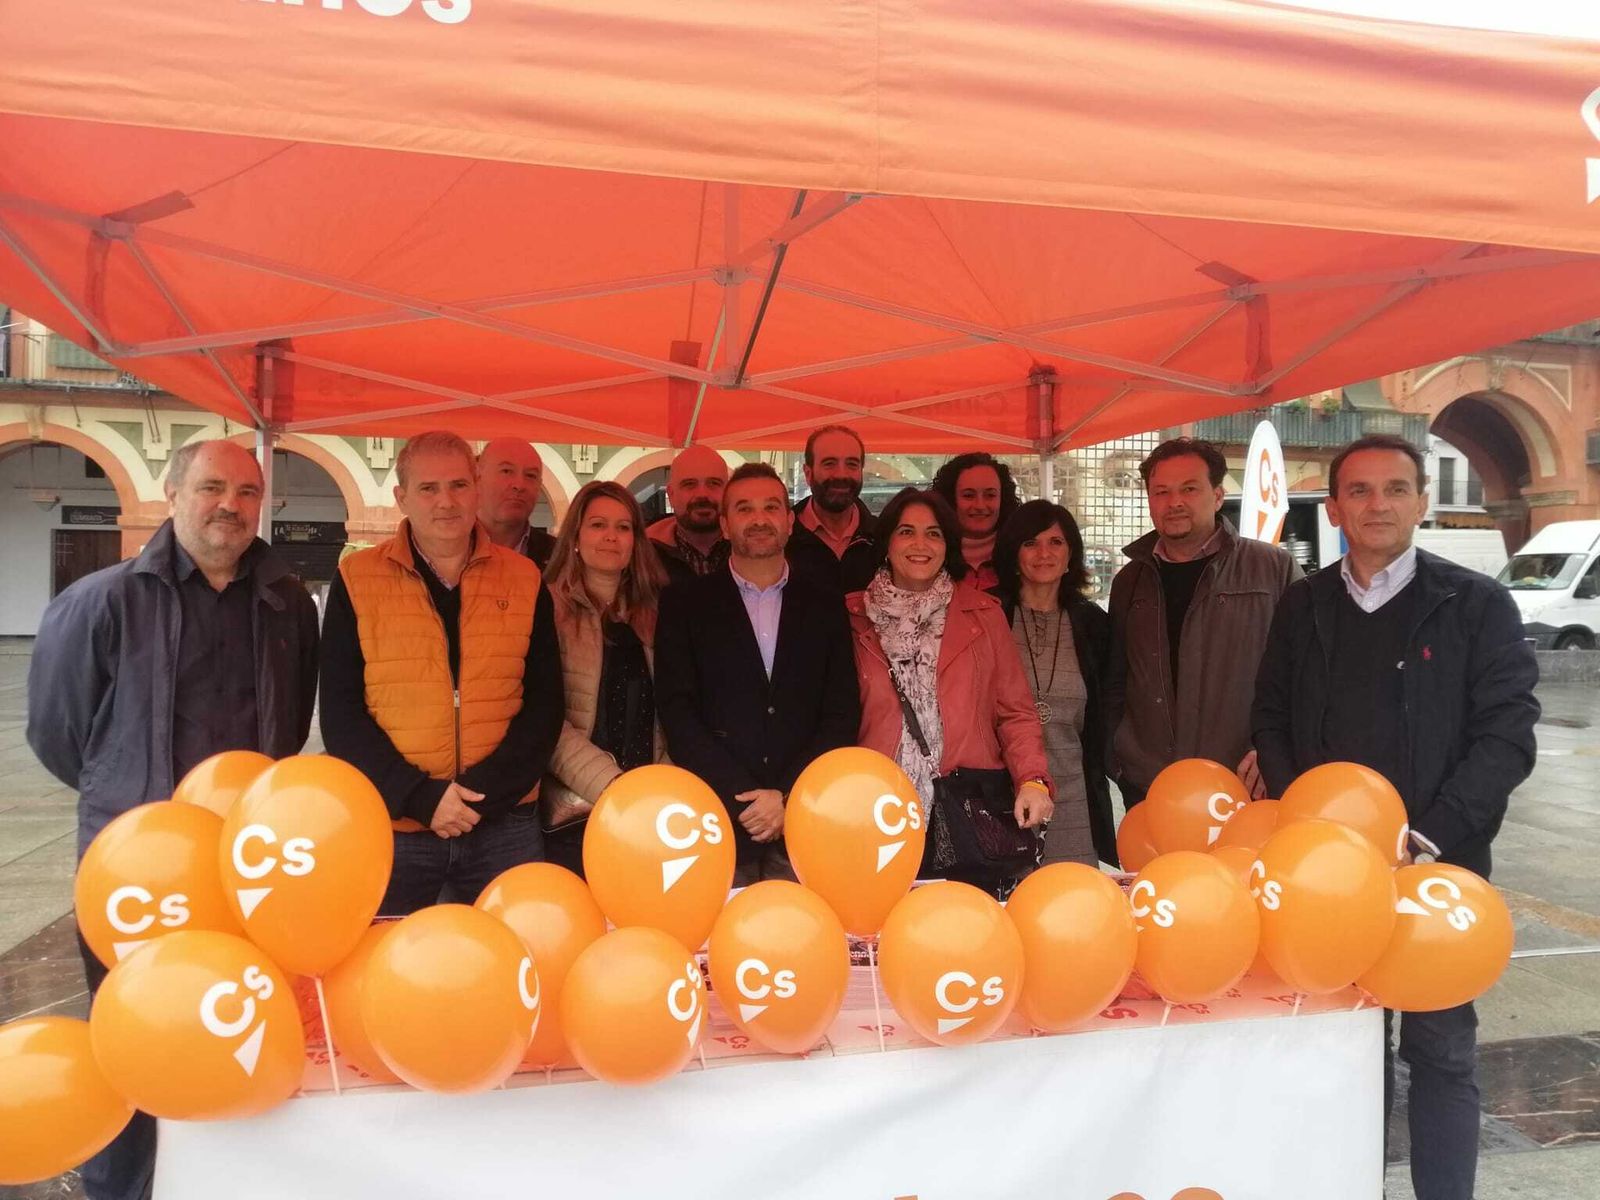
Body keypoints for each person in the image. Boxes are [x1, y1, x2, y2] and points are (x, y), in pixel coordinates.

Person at [27, 438, 319, 1200]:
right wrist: (128, 799)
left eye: (248, 491)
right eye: (213, 487)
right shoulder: (100, 602)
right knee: (133, 1032)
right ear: (172, 493)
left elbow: (288, 727)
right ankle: (127, 1186)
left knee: (236, 1020)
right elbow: (60, 738)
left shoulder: (287, 604)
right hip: (140, 868)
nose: (231, 504)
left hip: (245, 865)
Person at [1252, 433, 1538, 1200]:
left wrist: (1429, 834)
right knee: (1346, 1052)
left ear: (1422, 501)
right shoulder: (1302, 604)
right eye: (1360, 490)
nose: (1377, 504)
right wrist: (1305, 826)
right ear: (1336, 505)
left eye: (1395, 489)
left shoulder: (1475, 603)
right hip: (1326, 878)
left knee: (1441, 1051)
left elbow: (1507, 734)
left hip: (1433, 870)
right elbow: (1271, 718)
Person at [320, 430, 564, 915]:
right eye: (428, 489)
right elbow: (340, 713)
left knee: (515, 963)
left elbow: (544, 703)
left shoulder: (523, 577)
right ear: (401, 497)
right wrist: (419, 797)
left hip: (503, 825)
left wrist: (482, 796)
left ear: (476, 487)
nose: (446, 502)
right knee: (390, 968)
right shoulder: (357, 579)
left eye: (457, 485)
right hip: (397, 826)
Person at [655, 463, 861, 885]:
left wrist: (787, 796)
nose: (760, 519)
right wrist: (747, 800)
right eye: (744, 509)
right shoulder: (685, 604)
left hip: (806, 822)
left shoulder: (824, 603)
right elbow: (678, 714)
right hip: (719, 821)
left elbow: (840, 713)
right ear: (726, 525)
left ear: (789, 522)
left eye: (771, 507)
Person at [848, 487, 1053, 896]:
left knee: (962, 930)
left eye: (934, 533)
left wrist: (1033, 779)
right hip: (871, 808)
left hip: (965, 806)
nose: (920, 544)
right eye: (907, 532)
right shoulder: (852, 615)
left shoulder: (983, 612)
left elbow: (1015, 711)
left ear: (949, 545)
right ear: (887, 542)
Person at [1103, 436, 1300, 806]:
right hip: (1151, 785)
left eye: (1189, 489)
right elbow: (1117, 678)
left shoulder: (1273, 569)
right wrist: (1118, 755)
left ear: (1218, 496)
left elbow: (1303, 676)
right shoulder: (1130, 581)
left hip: (1242, 783)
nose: (1174, 502)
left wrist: (1272, 746)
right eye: (1161, 491)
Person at [539, 481, 669, 875]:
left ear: (635, 542)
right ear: (575, 536)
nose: (611, 536)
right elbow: (543, 720)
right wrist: (612, 786)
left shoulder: (658, 613)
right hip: (578, 808)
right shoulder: (545, 608)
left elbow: (676, 708)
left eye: (623, 527)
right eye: (598, 525)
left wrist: (659, 785)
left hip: (651, 810)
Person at [991, 500, 1116, 868]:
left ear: (1071, 553)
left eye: (1056, 542)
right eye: (1030, 543)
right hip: (1002, 794)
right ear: (1013, 553)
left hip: (1075, 797)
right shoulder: (989, 615)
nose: (1044, 553)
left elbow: (1108, 709)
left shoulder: (1094, 626)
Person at [786, 423, 877, 595]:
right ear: (808, 473)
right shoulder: (782, 541)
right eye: (829, 463)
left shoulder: (883, 539)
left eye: (852, 464)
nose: (841, 474)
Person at [930, 451, 1021, 593]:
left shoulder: (1022, 557)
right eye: (969, 495)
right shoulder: (929, 557)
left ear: (1003, 499)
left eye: (990, 495)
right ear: (950, 499)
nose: (980, 505)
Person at [647, 444, 730, 586]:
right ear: (671, 495)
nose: (702, 494)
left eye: (713, 483)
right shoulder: (642, 554)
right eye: (689, 484)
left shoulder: (754, 547)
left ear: (728, 492)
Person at [477, 436, 557, 568]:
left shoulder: (558, 557)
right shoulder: (445, 549)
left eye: (530, 475)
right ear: (478, 478)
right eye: (506, 471)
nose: (519, 485)